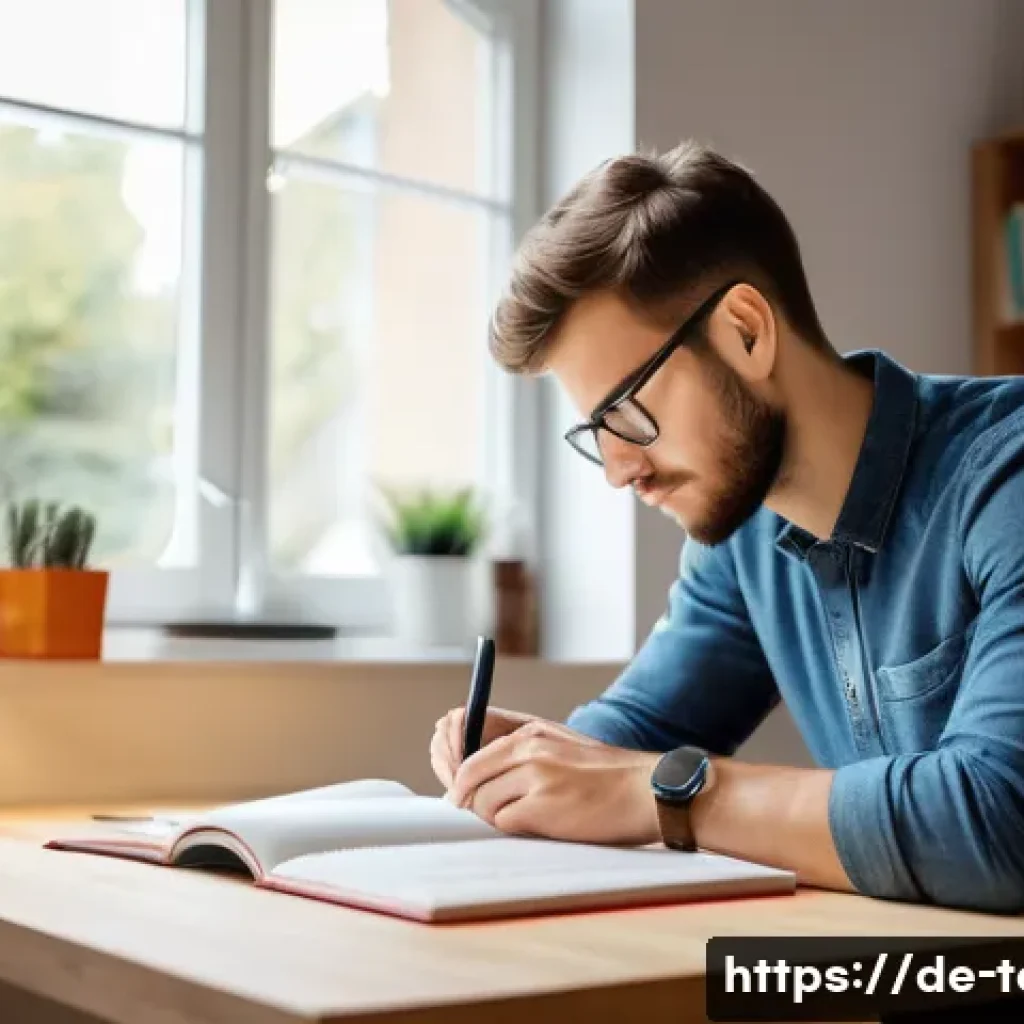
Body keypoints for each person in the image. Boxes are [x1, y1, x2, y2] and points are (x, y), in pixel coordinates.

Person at [430, 139, 1024, 913]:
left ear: (746, 331)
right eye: (595, 433)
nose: (619, 471)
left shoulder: (1002, 478)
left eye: (629, 413)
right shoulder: (746, 536)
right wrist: (535, 763)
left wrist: (674, 794)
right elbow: (639, 734)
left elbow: (1003, 819)